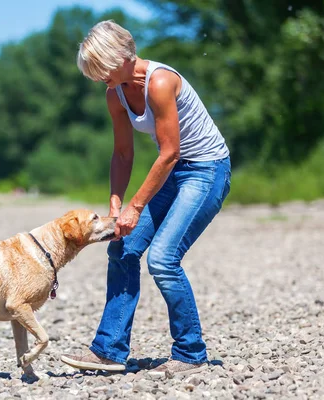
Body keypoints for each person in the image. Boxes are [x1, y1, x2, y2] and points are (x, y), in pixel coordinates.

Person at [60, 20, 231, 377]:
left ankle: (190, 353)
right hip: (173, 171)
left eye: (100, 68)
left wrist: (137, 206)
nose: (96, 77)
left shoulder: (161, 82)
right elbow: (123, 154)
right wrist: (116, 204)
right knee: (122, 249)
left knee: (164, 259)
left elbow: (169, 152)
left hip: (206, 170)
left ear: (122, 56)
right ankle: (109, 351)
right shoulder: (115, 93)